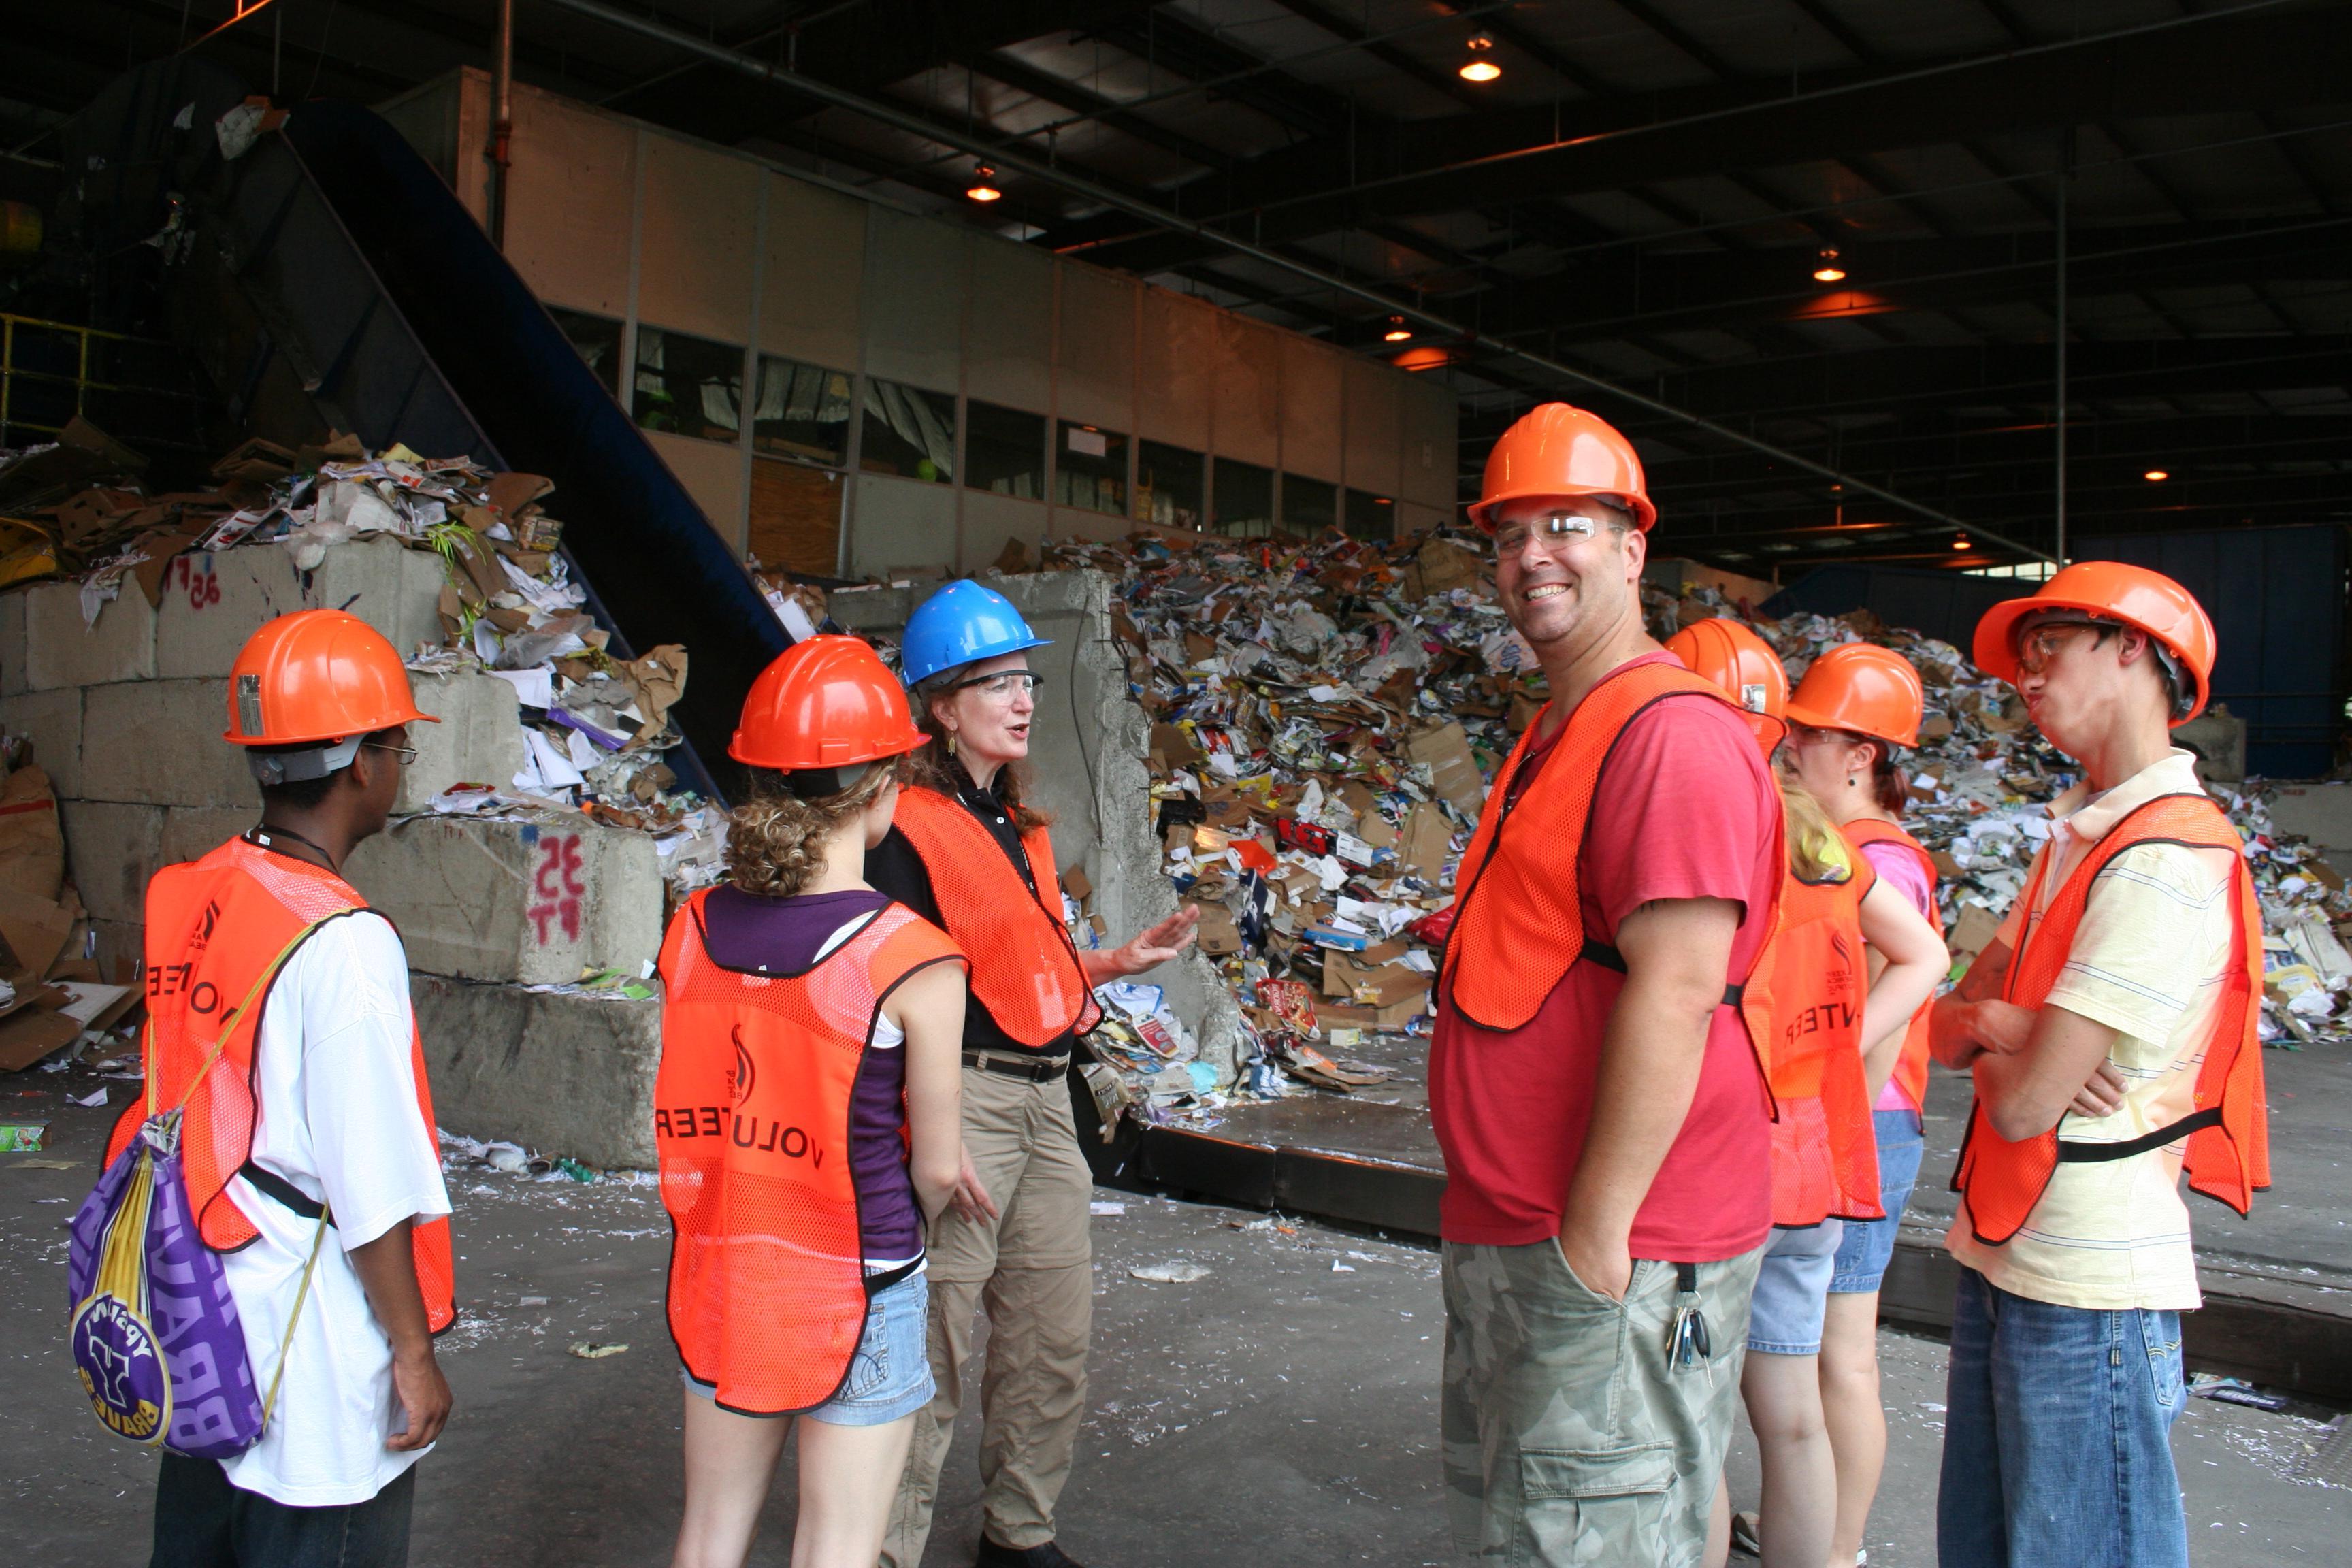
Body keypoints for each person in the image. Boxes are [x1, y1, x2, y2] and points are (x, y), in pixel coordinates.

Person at [1428, 404, 1784, 1567]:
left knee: (1599, 1535)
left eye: (1567, 526)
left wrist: (1592, 1243)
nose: (1533, 556)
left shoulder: (1669, 736)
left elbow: (1679, 992)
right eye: (1510, 534)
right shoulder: (1563, 727)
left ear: (1634, 549)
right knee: (1541, 1529)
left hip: (1611, 1249)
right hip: (1529, 1230)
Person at [1931, 563, 2269, 1568]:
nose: (2024, 680)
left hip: (2088, 1284)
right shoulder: (2078, 839)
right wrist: (2009, 1024)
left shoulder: (2164, 860)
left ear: (2131, 650)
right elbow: (1945, 1030)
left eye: (2047, 649)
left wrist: (2009, 1045)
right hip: (2006, 1252)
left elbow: (2030, 1106)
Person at [108, 609, 456, 1568]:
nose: (397, 771)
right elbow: (370, 1186)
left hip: (200, 1331)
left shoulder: (200, 889)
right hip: (312, 1378)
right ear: (362, 768)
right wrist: (413, 1353)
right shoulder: (344, 945)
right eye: (398, 748)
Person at [877, 581, 1198, 1568]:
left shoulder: (1016, 829)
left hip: (1045, 1100)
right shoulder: (904, 828)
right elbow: (896, 992)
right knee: (935, 1342)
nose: (1022, 699)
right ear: (941, 706)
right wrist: (927, 1134)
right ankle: (879, 1547)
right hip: (964, 1098)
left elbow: (1011, 965)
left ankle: (1018, 1535)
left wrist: (1109, 964)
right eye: (996, 684)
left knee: (1050, 1340)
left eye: (1026, 679)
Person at [657, 635, 968, 1568]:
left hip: (726, 1260)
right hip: (861, 1275)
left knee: (709, 1534)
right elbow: (941, 1168)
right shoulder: (911, 954)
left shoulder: (693, 928)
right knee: (836, 1545)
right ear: (884, 790)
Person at [1671, 623, 1945, 1568]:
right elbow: (1924, 957)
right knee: (1793, 1418)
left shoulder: (1705, 821)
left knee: (1695, 1427)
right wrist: (1829, 1065)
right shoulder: (1817, 833)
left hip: (1722, 1160)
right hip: (1810, 1167)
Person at [1780, 641, 1943, 1566]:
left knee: (1843, 1351)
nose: (1792, 744)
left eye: (1812, 732)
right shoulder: (1840, 847)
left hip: (1868, 1125)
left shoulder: (1882, 860)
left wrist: (1826, 1084)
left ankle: (1836, 1549)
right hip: (1864, 1120)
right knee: (1822, 1349)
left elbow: (1905, 982)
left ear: (1863, 755)